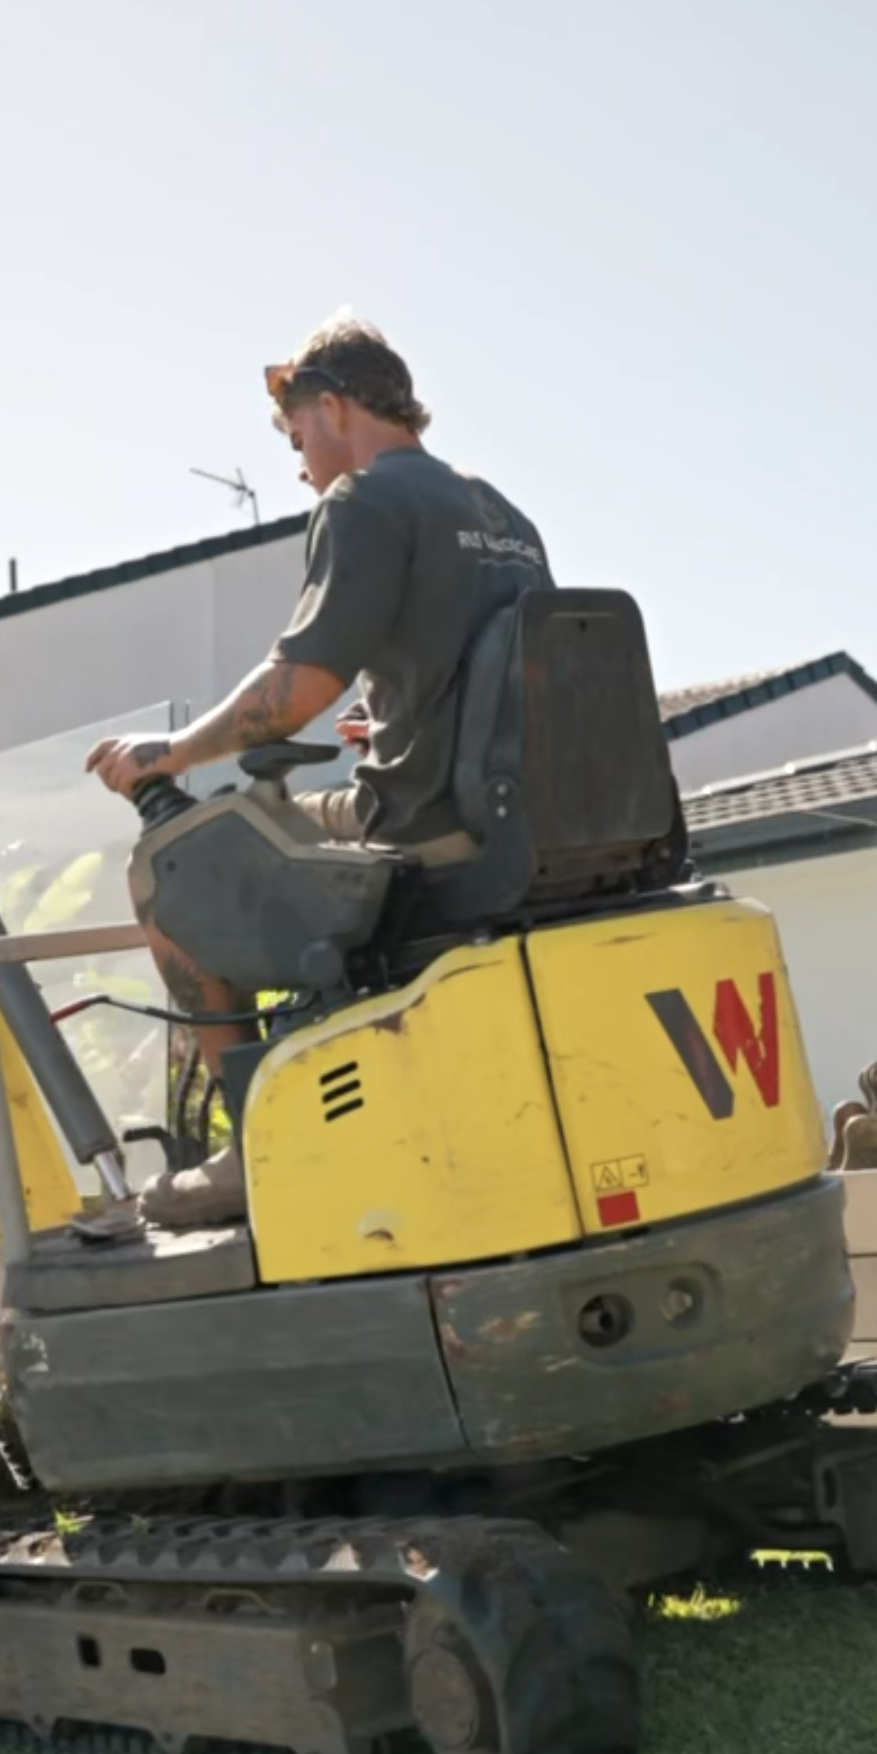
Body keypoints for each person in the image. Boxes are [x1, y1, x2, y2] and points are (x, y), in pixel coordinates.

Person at [86, 312, 551, 1226]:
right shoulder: (502, 512)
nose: (300, 467)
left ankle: (255, 1143)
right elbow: (506, 676)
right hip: (520, 814)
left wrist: (169, 754)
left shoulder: (364, 502)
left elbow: (296, 689)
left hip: (431, 821)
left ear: (332, 408)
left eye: (298, 438)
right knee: (297, 822)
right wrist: (398, 719)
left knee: (184, 869)